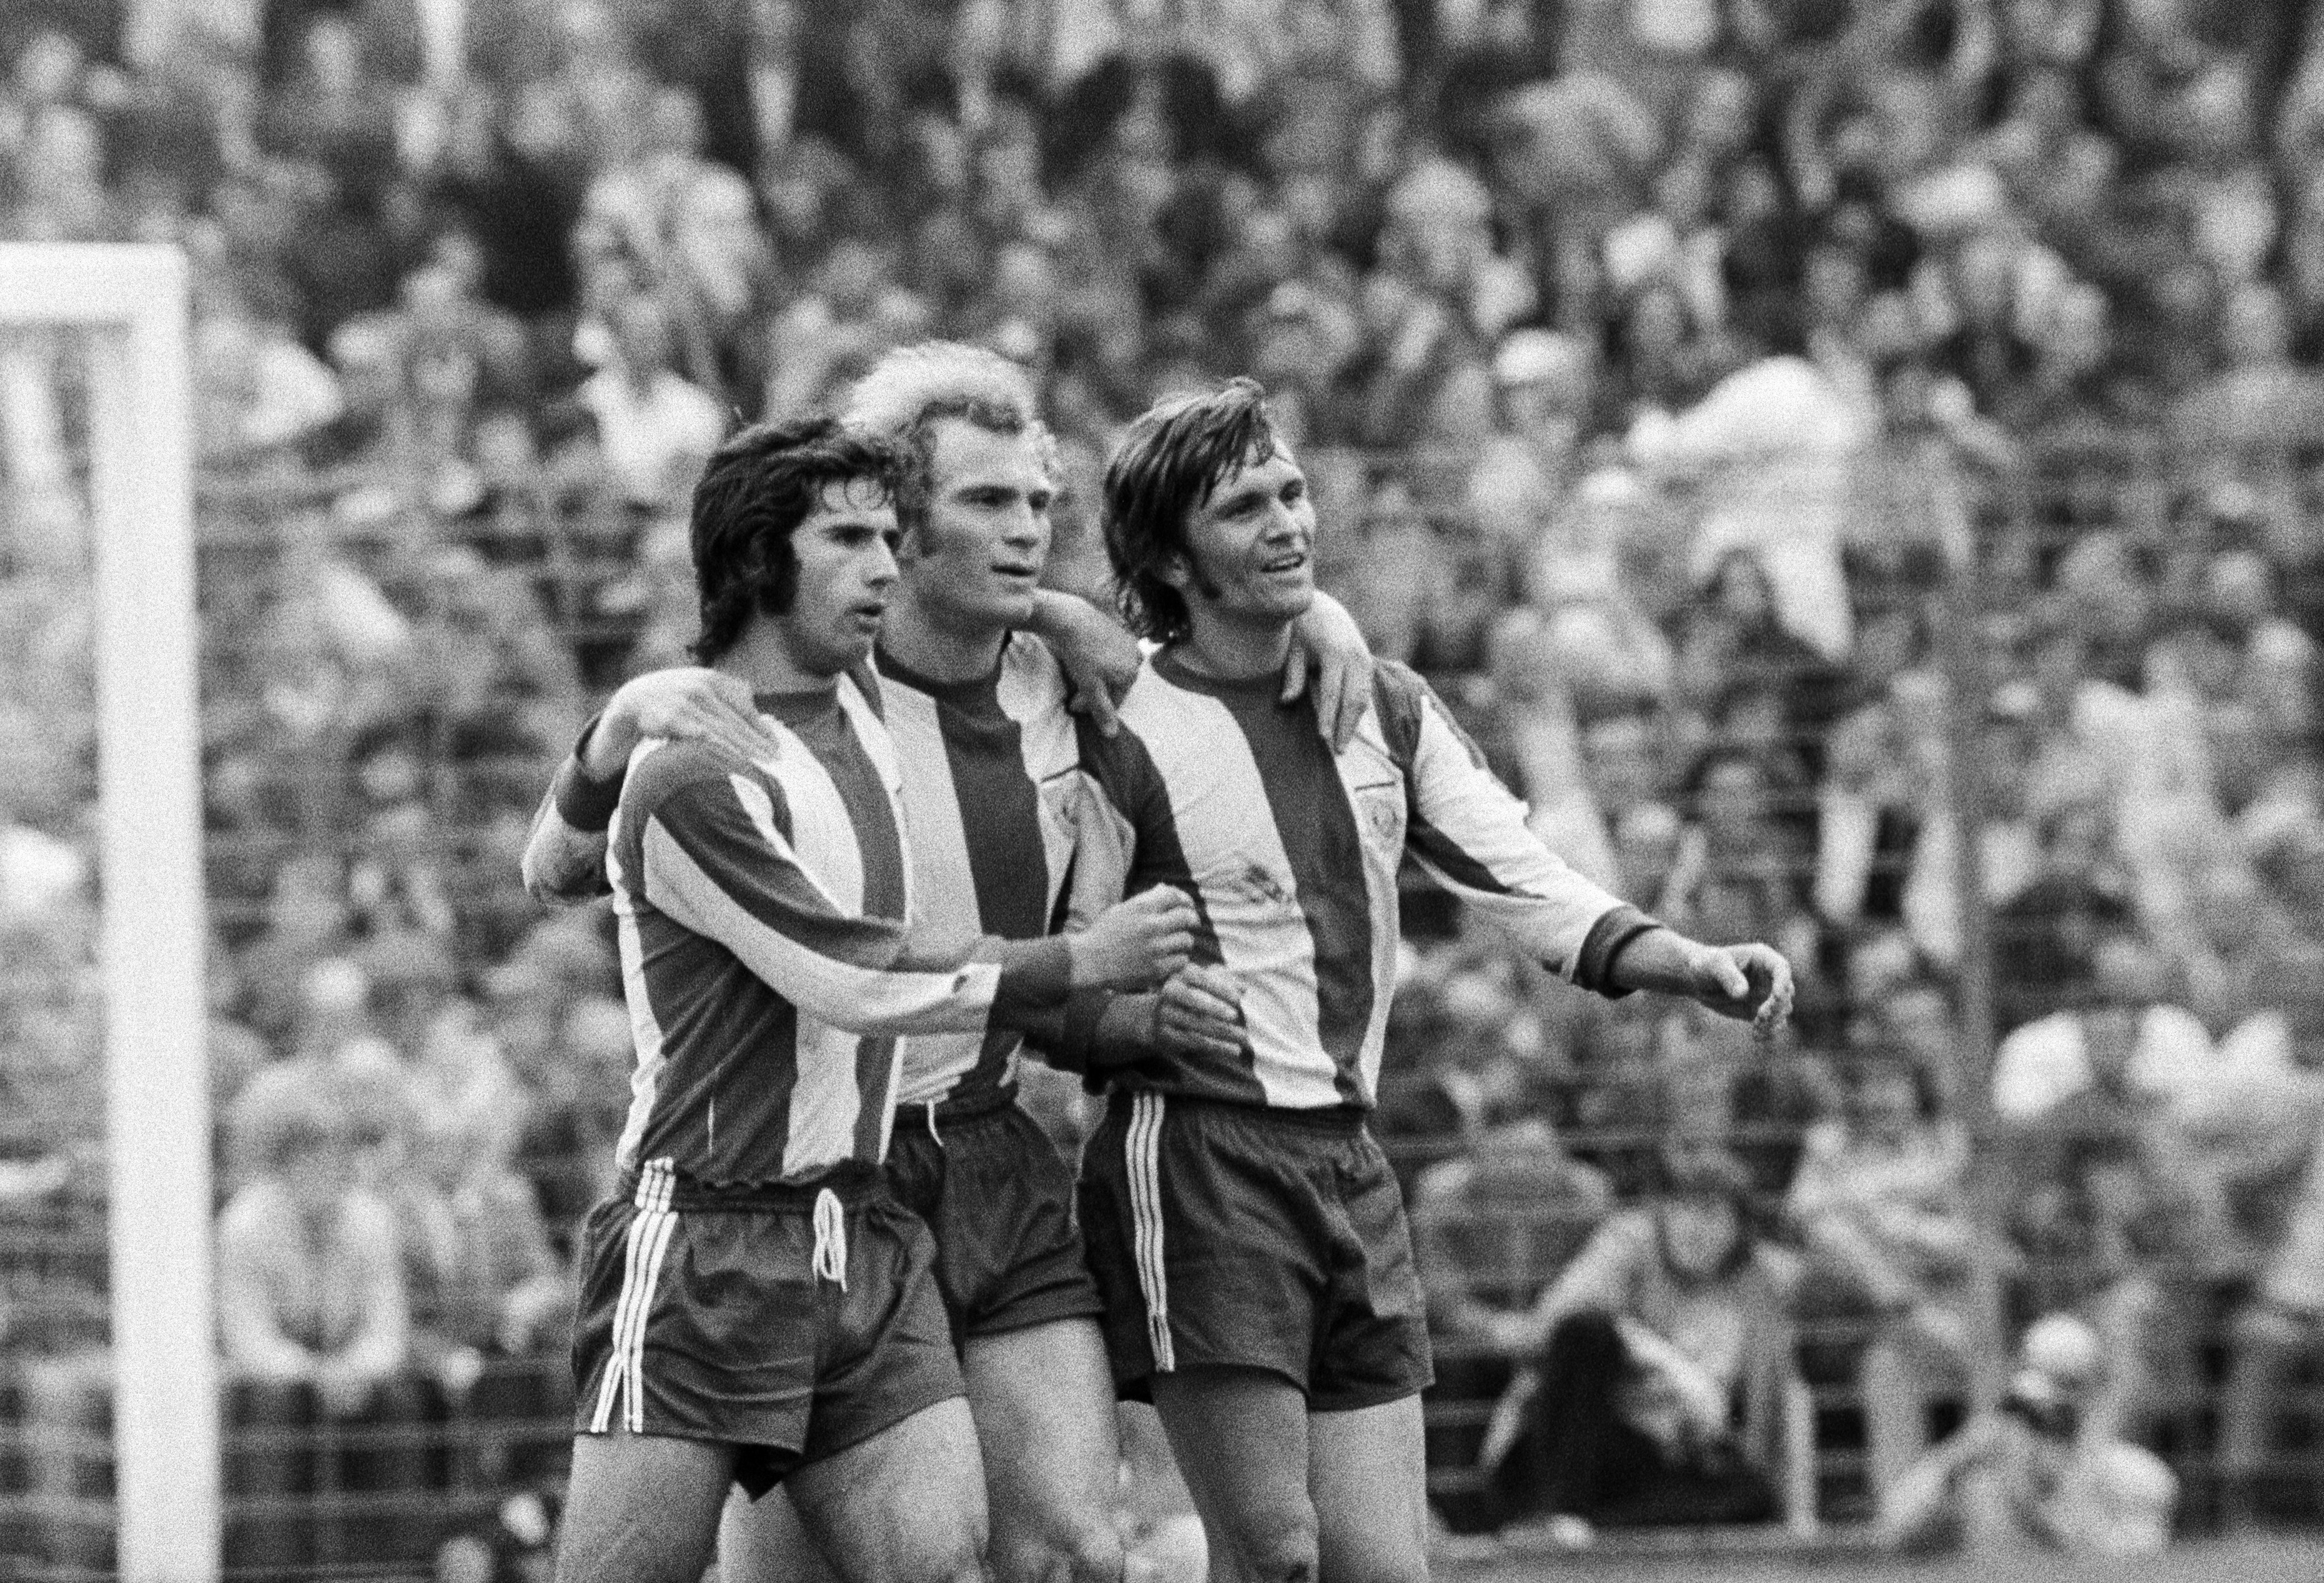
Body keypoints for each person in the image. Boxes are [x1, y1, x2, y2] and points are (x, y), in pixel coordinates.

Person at [522, 344, 1373, 1583]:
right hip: (753, 1195)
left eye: (1041, 502)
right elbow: (568, 867)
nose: (1027, 531)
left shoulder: (1040, 680)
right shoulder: (774, 710)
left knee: (1058, 1553)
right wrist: (615, 722)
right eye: (985, 502)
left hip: (948, 1163)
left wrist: (1319, 612)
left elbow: (1219, 640)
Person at [1064, 378, 1794, 1583]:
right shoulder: (1121, 721)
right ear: (1170, 556)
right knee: (1277, 1551)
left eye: (1292, 491)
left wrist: (1690, 962)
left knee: (1383, 1566)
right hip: (1193, 1152)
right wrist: (1119, 1013)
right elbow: (1063, 963)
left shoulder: (1386, 705)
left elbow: (1529, 881)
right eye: (1246, 507)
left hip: (1347, 1162)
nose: (1290, 522)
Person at [1476, 1149, 1799, 1543]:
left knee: (1752, 1497)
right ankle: (1556, 1513)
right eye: (1686, 1210)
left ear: (1740, 1230)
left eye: (1714, 1216)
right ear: (1663, 1213)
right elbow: (1551, 1327)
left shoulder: (1757, 1283)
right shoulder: (1629, 1240)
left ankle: (1587, 1531)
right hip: (1560, 1451)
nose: (1696, 1229)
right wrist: (1669, 1365)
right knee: (1588, 1333)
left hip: (1657, 1458)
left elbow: (1753, 1411)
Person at [1879, 1313, 2178, 1556]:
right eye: (2023, 1411)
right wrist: (1956, 1462)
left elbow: (2077, 1534)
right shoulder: (1989, 1446)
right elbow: (1898, 1524)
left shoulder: (2121, 1470)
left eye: (2050, 1416)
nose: (2026, 1425)